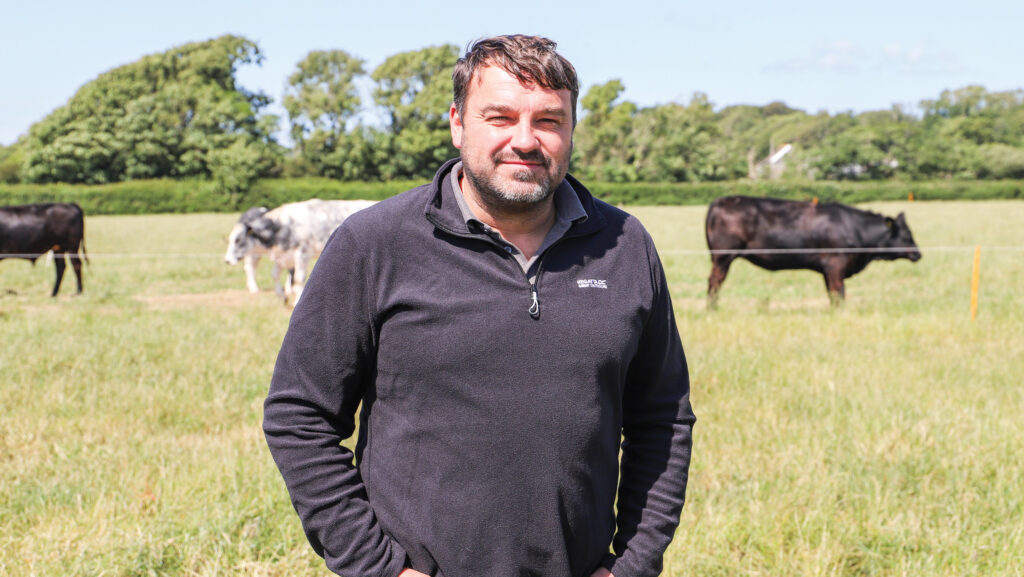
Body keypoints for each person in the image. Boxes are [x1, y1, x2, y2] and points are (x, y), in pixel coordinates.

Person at [263, 34, 695, 577]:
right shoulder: (374, 244)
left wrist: (634, 564)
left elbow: (664, 419)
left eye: (548, 121)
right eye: (500, 117)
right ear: (457, 123)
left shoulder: (625, 244)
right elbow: (299, 415)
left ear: (570, 130)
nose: (525, 139)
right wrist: (379, 568)